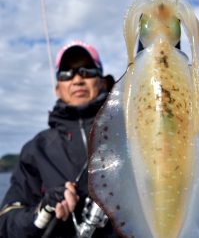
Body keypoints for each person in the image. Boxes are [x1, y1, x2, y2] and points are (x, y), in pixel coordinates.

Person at [0, 40, 118, 238]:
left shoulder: (132, 132)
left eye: (86, 70)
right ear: (57, 89)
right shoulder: (37, 149)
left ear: (103, 81)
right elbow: (6, 222)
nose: (77, 79)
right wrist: (41, 212)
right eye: (66, 74)